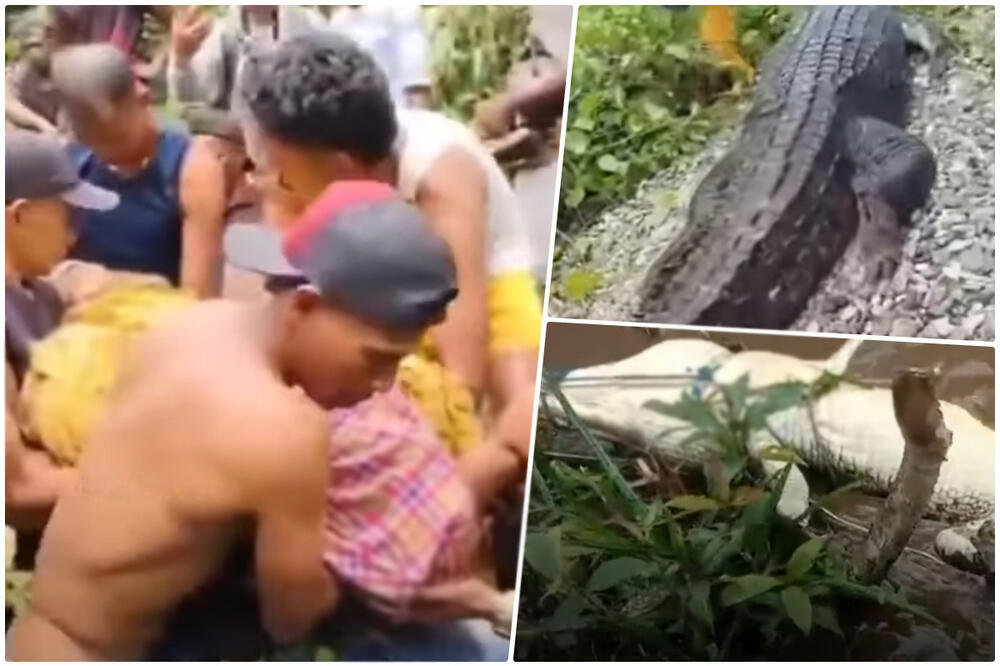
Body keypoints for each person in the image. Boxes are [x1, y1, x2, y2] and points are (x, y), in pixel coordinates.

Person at [5, 183, 460, 661]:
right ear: (305, 307)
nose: (384, 384)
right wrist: (374, 562)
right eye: (375, 360)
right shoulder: (286, 431)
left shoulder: (192, 325)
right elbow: (290, 616)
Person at [235, 33, 541, 434]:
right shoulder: (306, 178)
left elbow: (464, 376)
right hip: (380, 281)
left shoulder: (442, 180)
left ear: (341, 166)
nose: (271, 183)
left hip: (482, 281)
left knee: (518, 415)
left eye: (281, 173)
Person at [5, 130, 120, 532]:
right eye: (66, 216)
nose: (74, 235)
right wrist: (153, 480)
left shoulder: (43, 296)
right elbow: (16, 488)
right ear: (17, 215)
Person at [50, 44, 227, 297]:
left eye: (117, 139)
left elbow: (198, 298)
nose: (105, 152)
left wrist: (113, 285)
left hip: (163, 322)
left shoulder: (192, 168)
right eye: (91, 141)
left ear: (143, 97)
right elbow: (47, 268)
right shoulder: (71, 160)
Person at [327, 5, 433, 109]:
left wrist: (417, 118)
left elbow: (417, 81)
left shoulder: (401, 10)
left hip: (398, 113)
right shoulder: (337, 22)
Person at [5, 9, 60, 135]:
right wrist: (40, 123)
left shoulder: (69, 65)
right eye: (32, 46)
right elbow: (7, 101)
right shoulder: (20, 73)